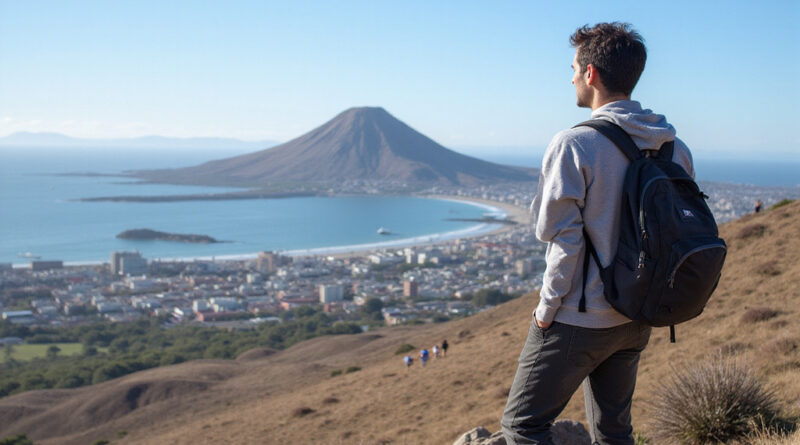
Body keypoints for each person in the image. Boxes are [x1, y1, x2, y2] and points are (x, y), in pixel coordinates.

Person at [501, 22, 695, 445]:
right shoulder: (673, 147)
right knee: (613, 432)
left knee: (522, 427)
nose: (570, 76)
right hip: (637, 314)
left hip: (579, 316)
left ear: (590, 74)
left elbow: (562, 239)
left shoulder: (575, 144)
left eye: (573, 67)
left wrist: (546, 311)